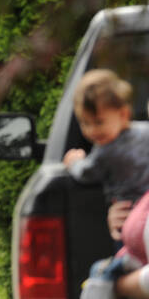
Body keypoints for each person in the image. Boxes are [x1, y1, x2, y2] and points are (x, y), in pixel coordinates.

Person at [62, 69, 149, 297]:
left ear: (123, 114)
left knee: (121, 262)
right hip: (139, 215)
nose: (91, 131)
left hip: (128, 216)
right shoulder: (145, 132)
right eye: (85, 123)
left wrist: (74, 161)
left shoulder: (105, 152)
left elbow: (86, 173)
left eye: (98, 122)